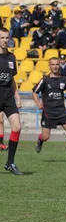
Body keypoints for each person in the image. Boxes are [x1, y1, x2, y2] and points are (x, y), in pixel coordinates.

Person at [0, 28, 22, 175]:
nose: (4, 40)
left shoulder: (12, 57)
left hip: (8, 96)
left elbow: (12, 79)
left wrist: (17, 95)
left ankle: (10, 162)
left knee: (17, 127)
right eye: (1, 38)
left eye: (6, 38)